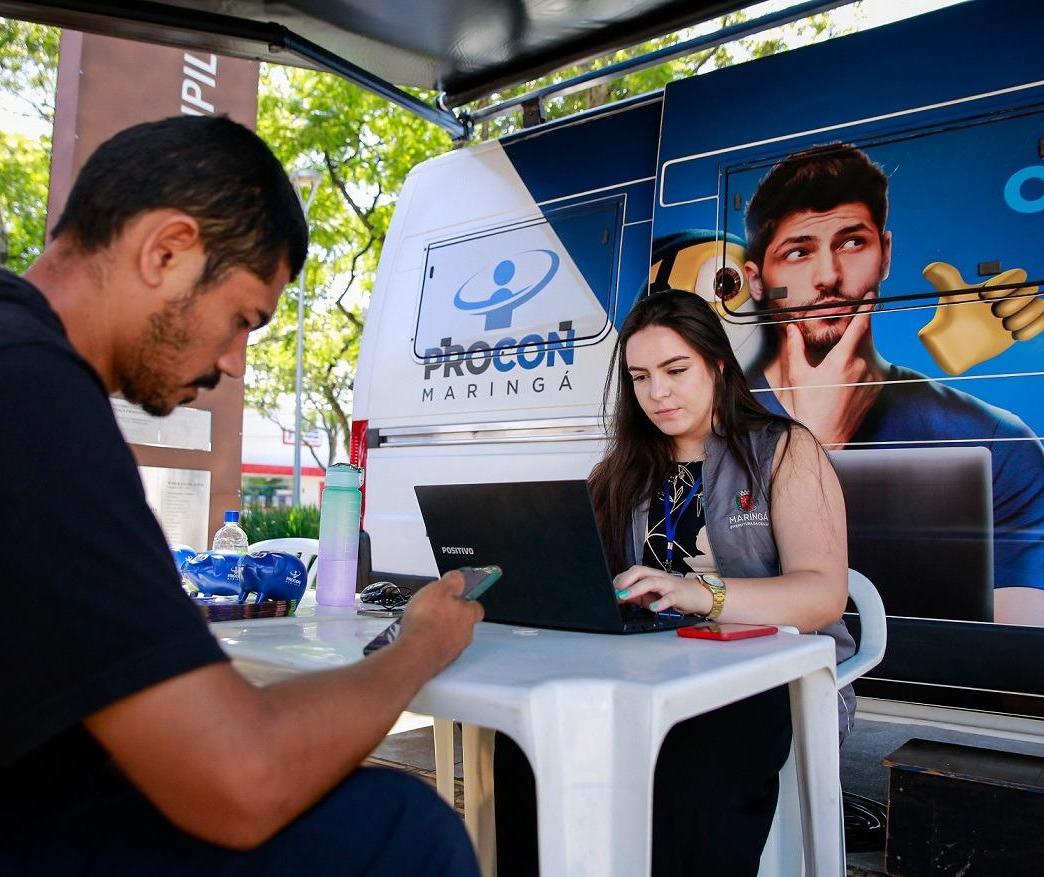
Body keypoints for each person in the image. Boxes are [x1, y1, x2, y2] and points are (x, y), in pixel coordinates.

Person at [0, 115, 483, 876]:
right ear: (167, 250)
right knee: (398, 827)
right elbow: (244, 776)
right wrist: (419, 645)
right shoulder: (34, 395)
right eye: (242, 319)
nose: (232, 362)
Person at [494, 289, 854, 877]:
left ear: (716, 363)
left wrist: (703, 594)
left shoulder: (783, 450)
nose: (656, 392)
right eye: (639, 377)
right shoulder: (619, 473)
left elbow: (821, 595)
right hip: (645, 675)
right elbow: (595, 585)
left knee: (691, 763)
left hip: (759, 681)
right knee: (527, 743)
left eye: (674, 369)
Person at [741, 143, 1044, 625]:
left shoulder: (997, 442)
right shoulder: (713, 425)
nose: (829, 277)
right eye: (798, 253)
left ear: (886, 253)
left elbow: (1016, 657)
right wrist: (817, 445)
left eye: (852, 243)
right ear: (757, 281)